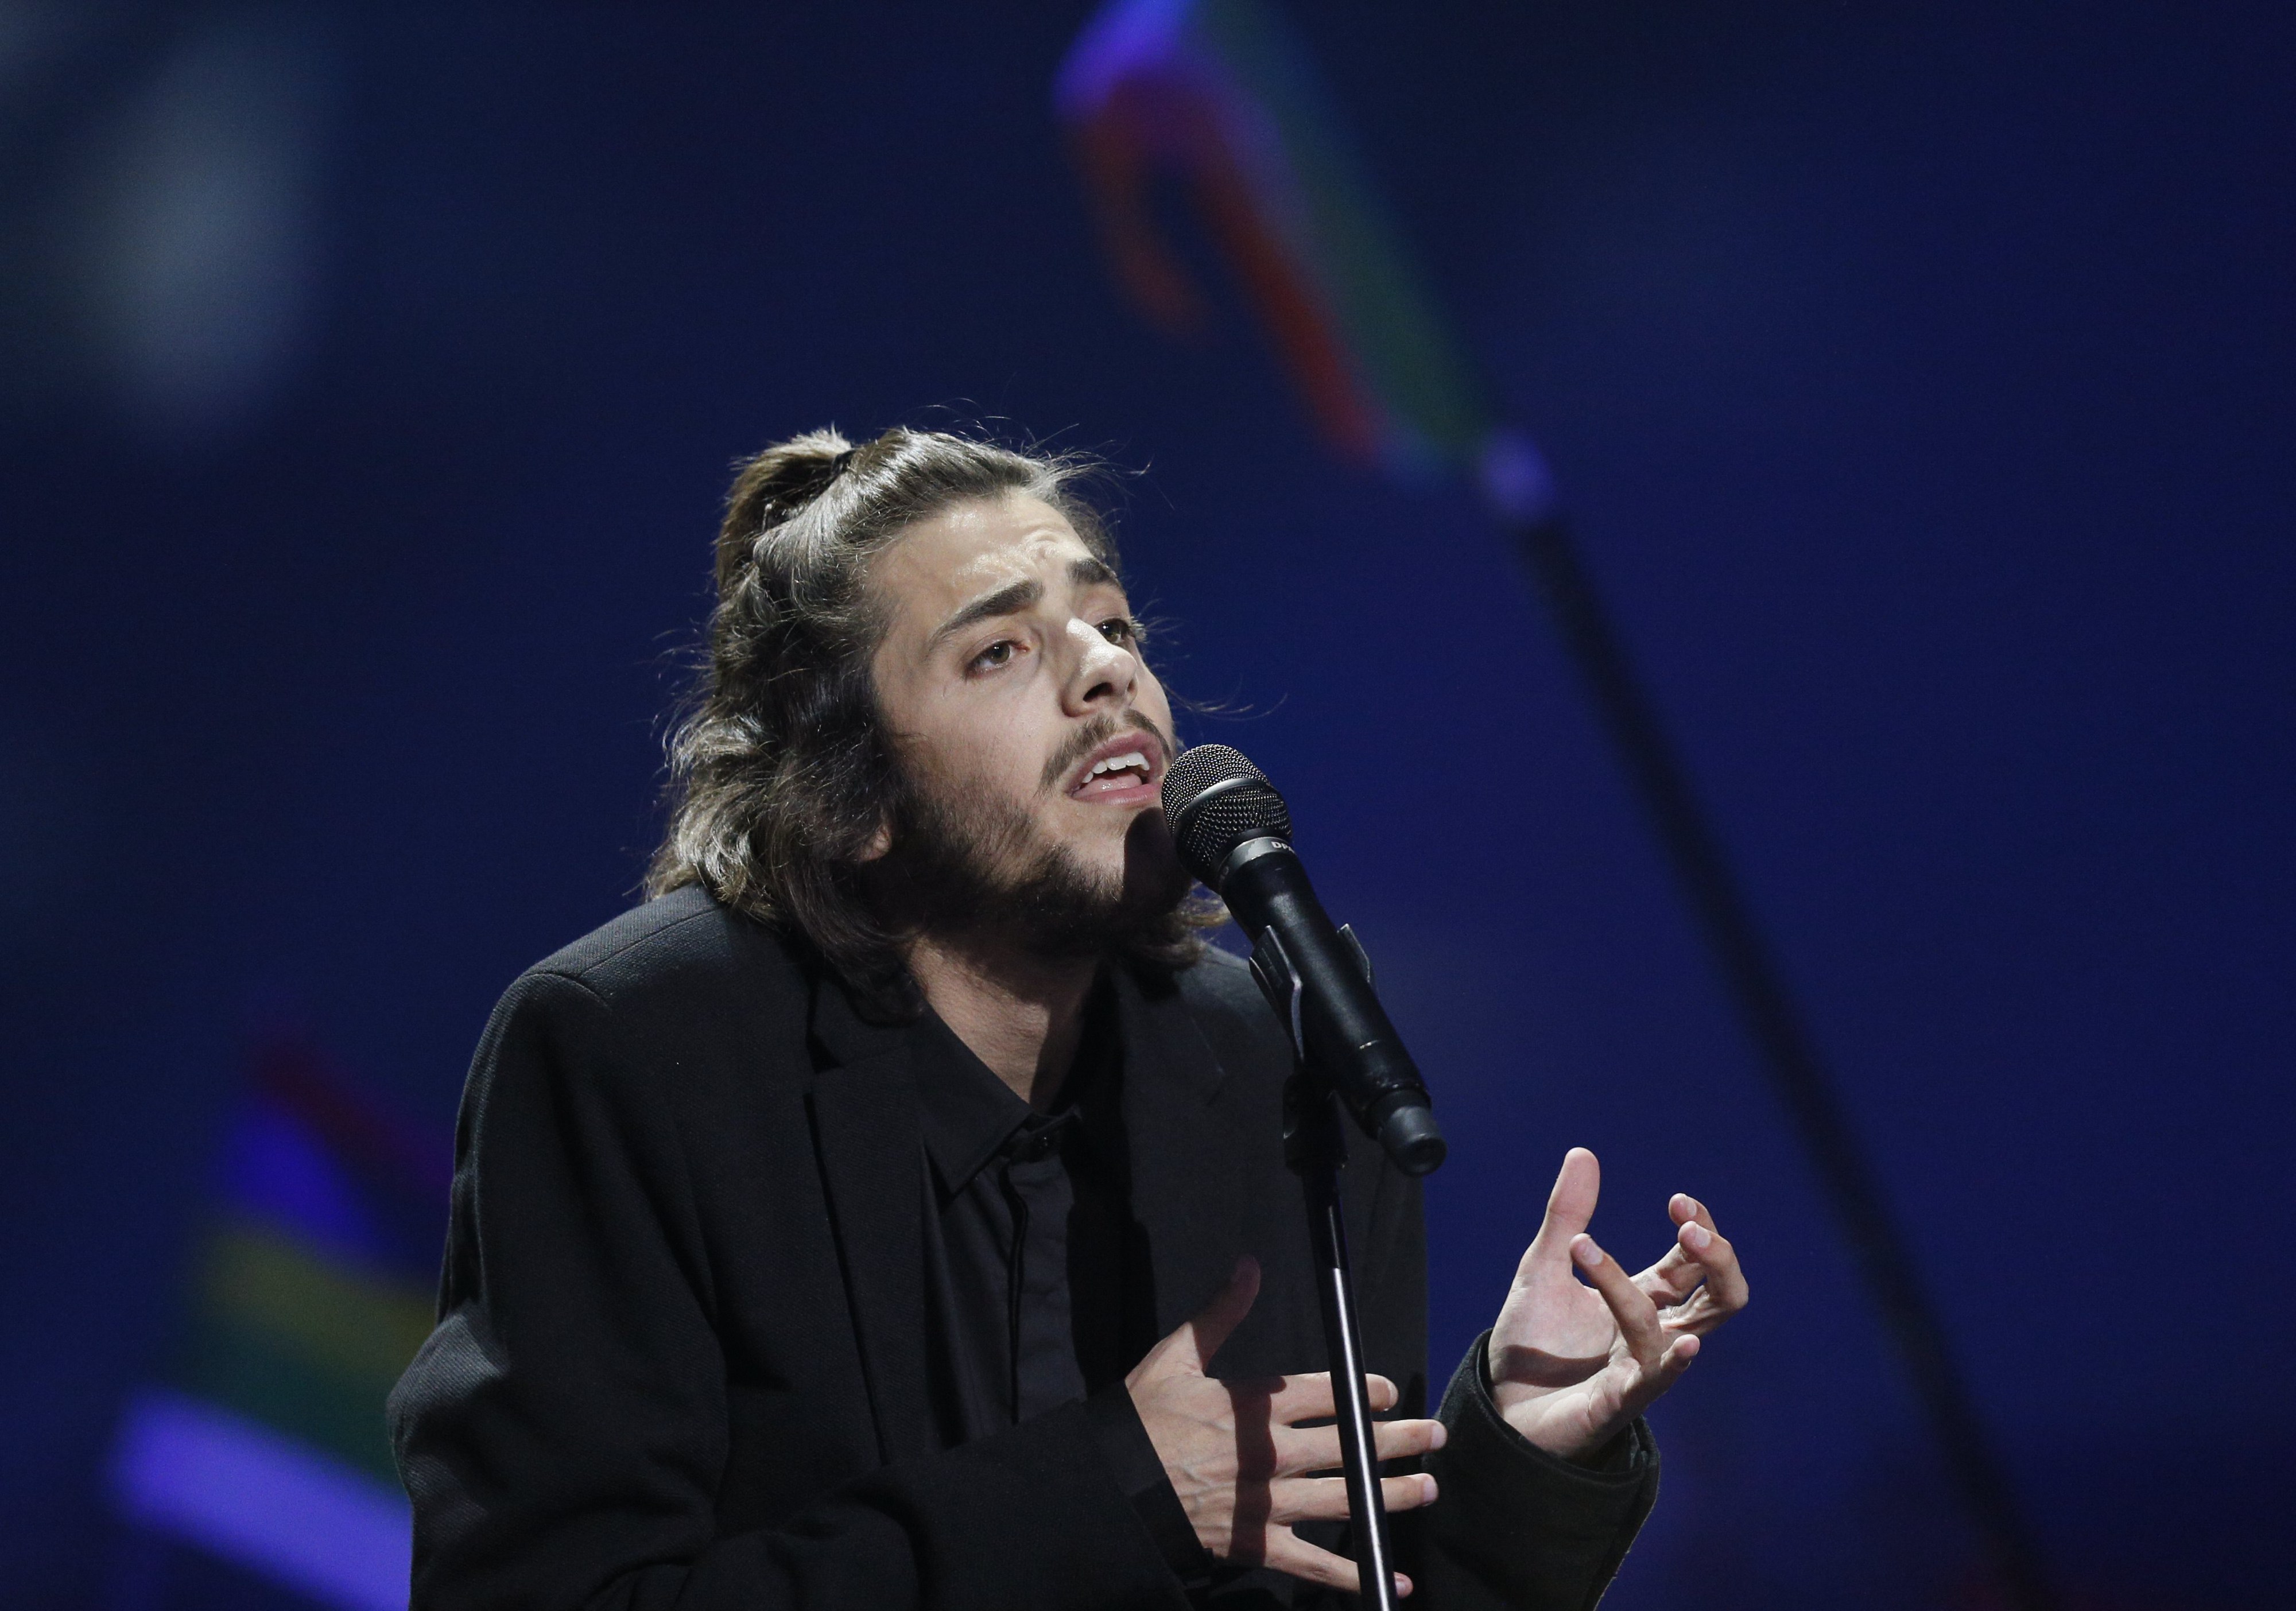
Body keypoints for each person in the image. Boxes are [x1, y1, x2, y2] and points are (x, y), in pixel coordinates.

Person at [387, 426, 1749, 1611]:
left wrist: (1518, 1451)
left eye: (1113, 624)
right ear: (852, 798)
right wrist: (1113, 1491)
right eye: (998, 651)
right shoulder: (637, 1049)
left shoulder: (1278, 1060)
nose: (1104, 672)